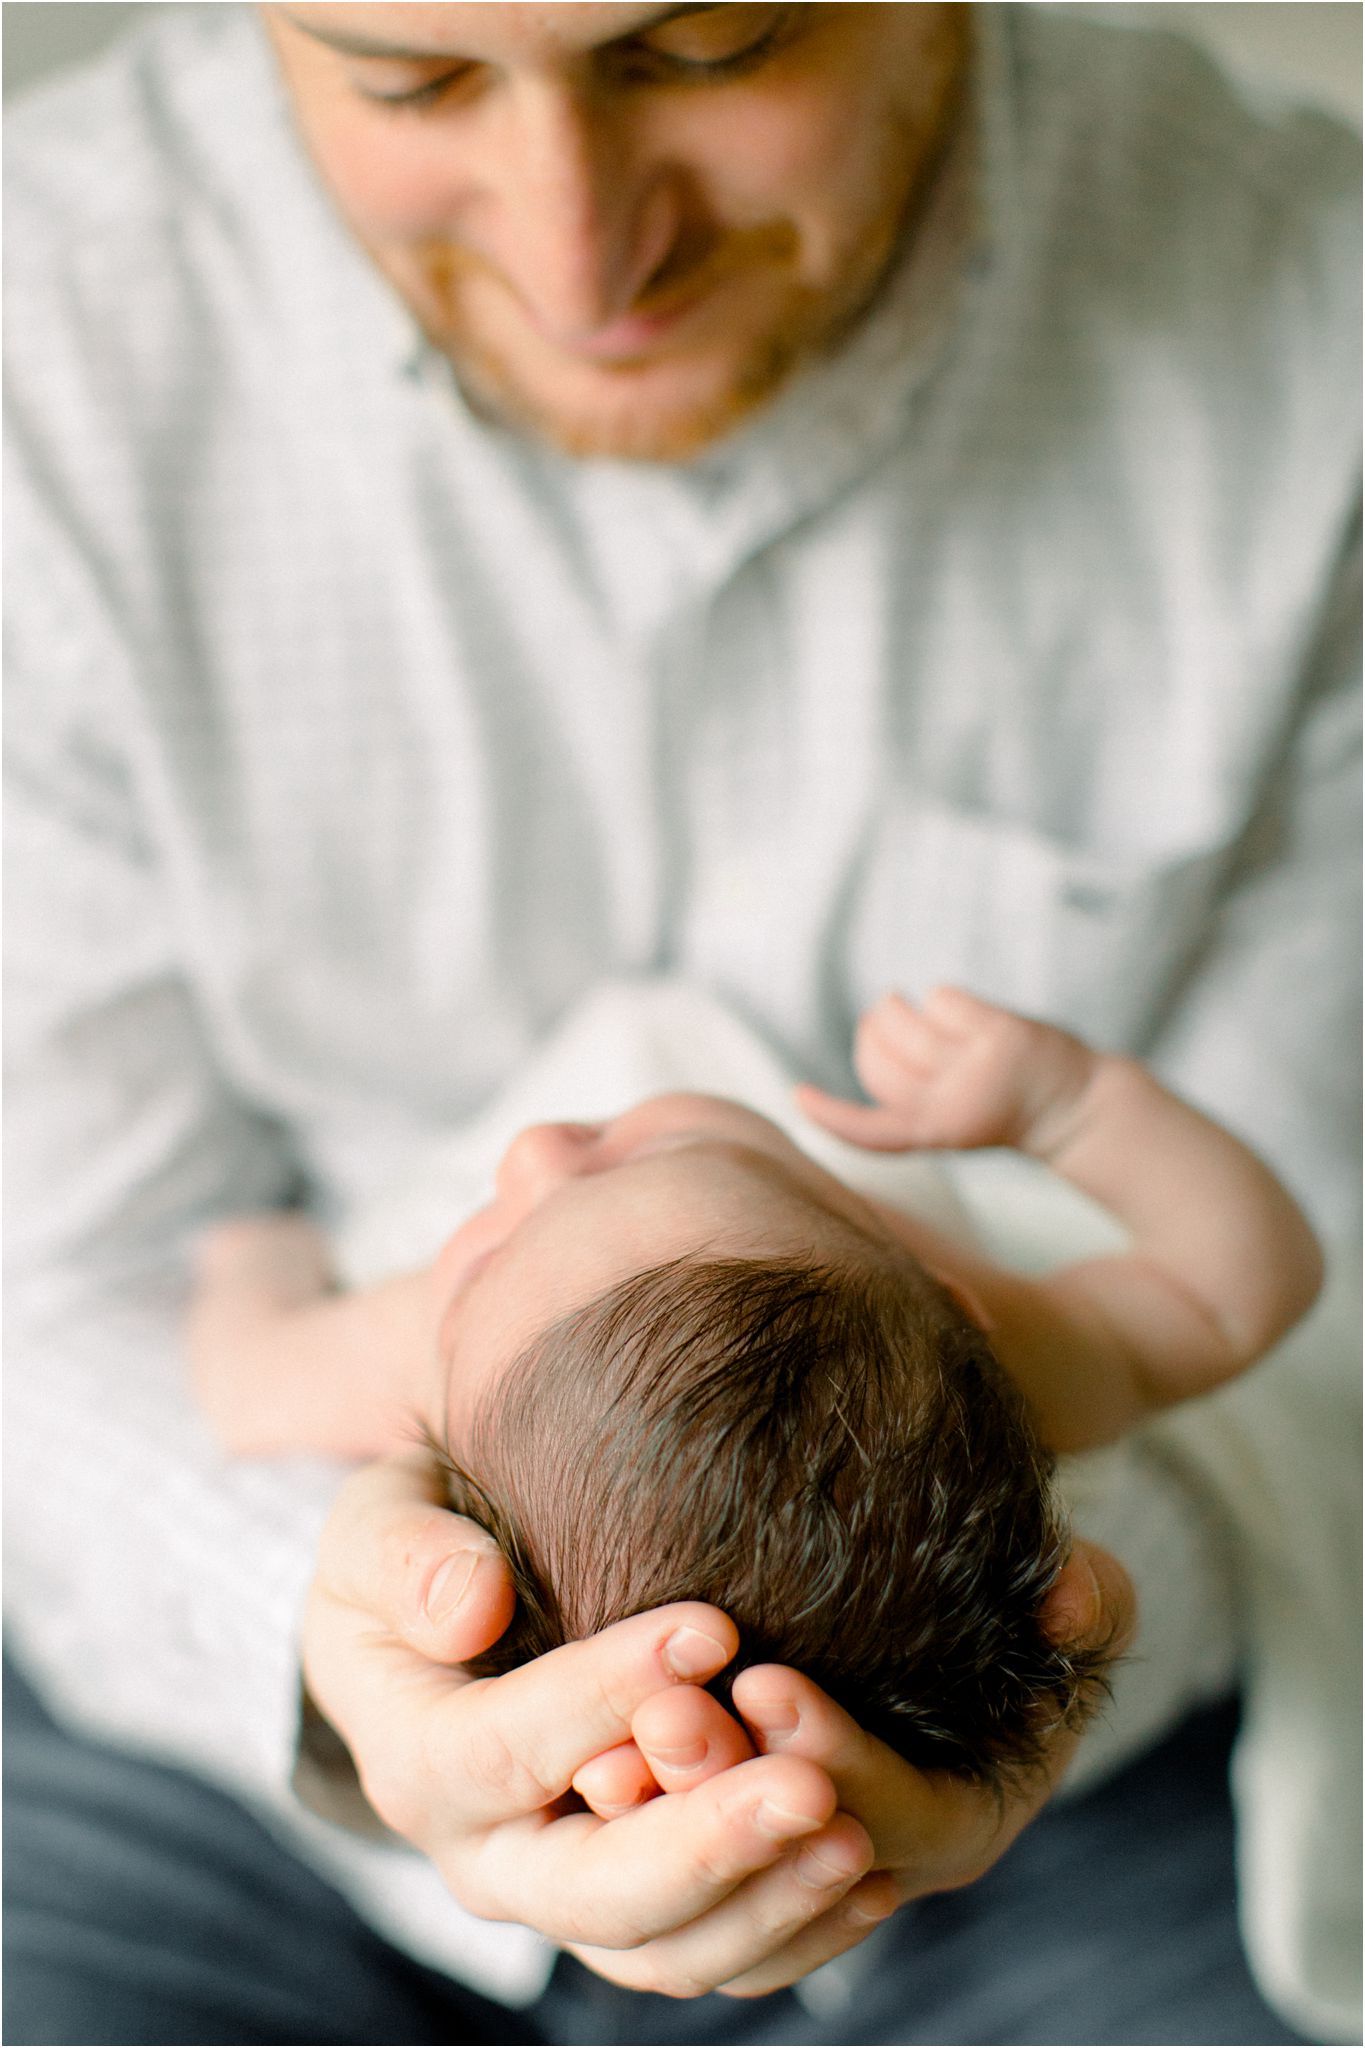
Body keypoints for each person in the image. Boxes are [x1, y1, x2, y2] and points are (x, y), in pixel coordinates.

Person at [5, 4, 1358, 2044]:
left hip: (1050, 1758)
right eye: (411, 83)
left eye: (712, 50)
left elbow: (1324, 1294)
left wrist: (994, 1688)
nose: (577, 257)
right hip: (222, 1743)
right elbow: (68, 1283)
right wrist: (352, 1649)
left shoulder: (1312, 327)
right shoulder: (50, 334)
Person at [184, 986, 1320, 1794]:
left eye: (486, 1260)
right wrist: (1073, 1110)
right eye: (675, 1160)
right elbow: (1238, 1287)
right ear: (942, 1285)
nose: (537, 1149)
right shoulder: (1018, 1348)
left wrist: (252, 1261)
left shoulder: (425, 1359)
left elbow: (249, 1381)